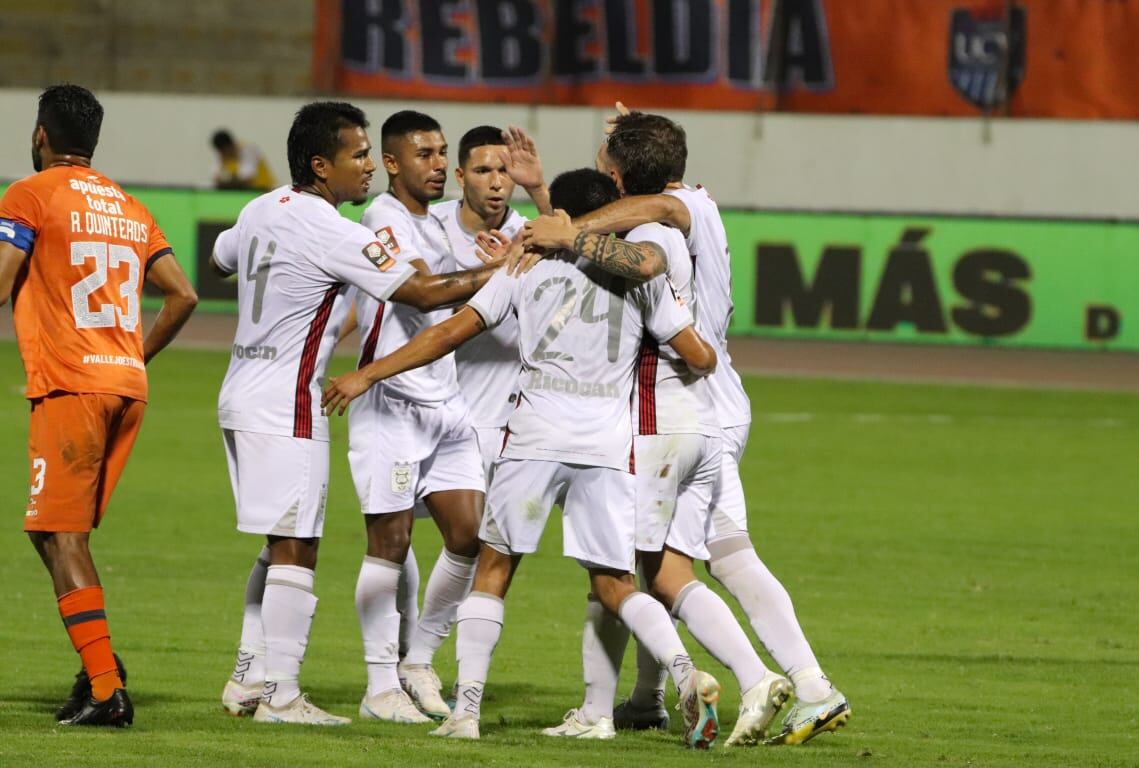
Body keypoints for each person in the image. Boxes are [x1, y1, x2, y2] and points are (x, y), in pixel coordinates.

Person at [324, 168, 726, 749]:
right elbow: (698, 355)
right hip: (607, 445)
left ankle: (465, 712)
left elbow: (450, 333)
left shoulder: (524, 264)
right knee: (614, 582)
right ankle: (686, 672)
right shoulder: (642, 276)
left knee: (493, 570)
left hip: (535, 435)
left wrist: (368, 373)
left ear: (555, 215)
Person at [213, 101, 501, 726]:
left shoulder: (259, 207)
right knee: (297, 546)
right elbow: (424, 292)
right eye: (359, 155)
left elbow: (221, 257)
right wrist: (502, 268)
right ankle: (282, 697)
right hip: (289, 401)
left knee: (280, 541)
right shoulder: (337, 229)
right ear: (322, 165)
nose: (368, 166)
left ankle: (249, 676)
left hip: (241, 388)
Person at [570, 107, 852, 745]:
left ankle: (768, 681)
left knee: (664, 567)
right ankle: (790, 687)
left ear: (621, 177)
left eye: (606, 156)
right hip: (718, 401)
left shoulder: (662, 223)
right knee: (723, 555)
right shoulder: (698, 200)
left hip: (683, 404)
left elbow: (643, 243)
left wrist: (566, 231)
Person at [523, 120, 793, 746]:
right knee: (656, 570)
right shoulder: (678, 220)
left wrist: (572, 235)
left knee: (636, 575)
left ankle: (750, 678)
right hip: (700, 423)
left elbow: (636, 259)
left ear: (617, 181)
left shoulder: (647, 237)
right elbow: (700, 354)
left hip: (654, 427)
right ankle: (643, 701)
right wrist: (554, 212)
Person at [0, 84, 199, 727]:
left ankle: (107, 688)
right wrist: (132, 357)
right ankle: (97, 663)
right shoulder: (130, 206)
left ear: (40, 135)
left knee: (64, 535)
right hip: (124, 388)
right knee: (49, 532)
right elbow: (183, 295)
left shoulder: (27, 195)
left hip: (70, 386)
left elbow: (1, 281)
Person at [342, 110, 495, 723]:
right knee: (390, 542)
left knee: (469, 535)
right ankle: (379, 688)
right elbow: (429, 292)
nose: (437, 165)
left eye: (441, 153)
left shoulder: (433, 223)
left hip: (446, 403)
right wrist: (512, 268)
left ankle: (419, 657)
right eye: (424, 154)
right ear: (391, 163)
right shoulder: (381, 219)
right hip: (394, 407)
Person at [211, 129, 276, 191]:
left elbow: (248, 180)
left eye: (224, 152)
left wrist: (225, 183)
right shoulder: (221, 153)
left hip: (265, 190)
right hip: (245, 193)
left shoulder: (248, 149)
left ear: (230, 146)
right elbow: (216, 179)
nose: (223, 155)